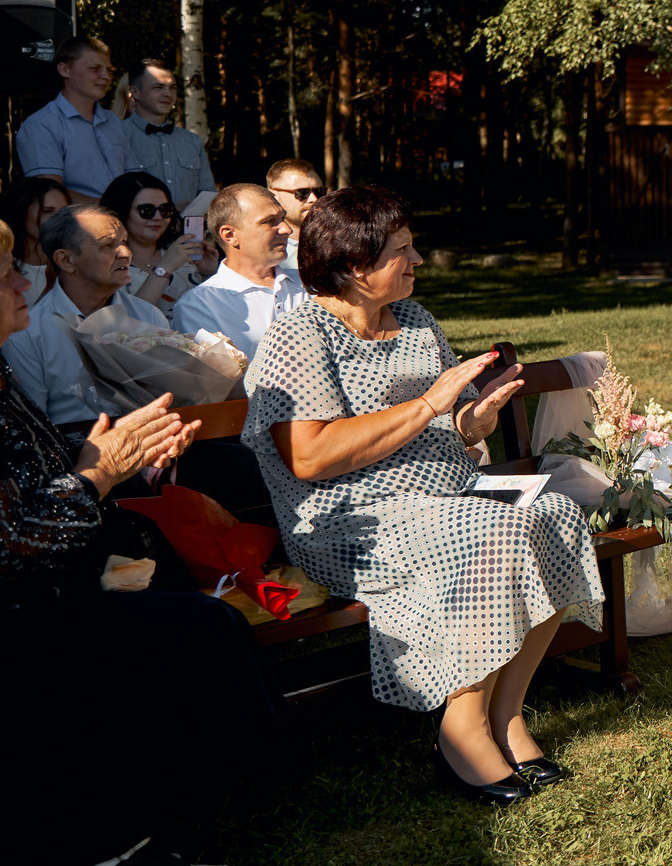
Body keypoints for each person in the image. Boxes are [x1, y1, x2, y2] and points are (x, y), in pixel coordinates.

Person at [0, 206, 272, 866]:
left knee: (196, 614)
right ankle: (105, 850)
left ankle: (151, 828)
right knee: (186, 630)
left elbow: (48, 476)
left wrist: (131, 460)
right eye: (4, 277)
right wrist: (100, 474)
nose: (24, 284)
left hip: (39, 599)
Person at [244, 186, 603, 804]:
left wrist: (470, 423)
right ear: (355, 266)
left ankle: (507, 715)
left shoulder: (414, 320)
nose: (418, 260)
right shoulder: (299, 335)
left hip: (447, 497)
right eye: (402, 251)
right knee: (495, 532)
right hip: (350, 521)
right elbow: (307, 456)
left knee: (556, 516)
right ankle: (460, 732)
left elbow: (446, 425)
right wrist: (430, 403)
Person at [0, 204, 170, 430]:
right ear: (66, 260)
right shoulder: (28, 332)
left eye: (124, 242)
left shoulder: (148, 316)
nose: (126, 253)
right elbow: (33, 425)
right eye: (108, 245)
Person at [174, 184, 307, 361]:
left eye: (283, 218)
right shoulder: (199, 306)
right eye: (270, 221)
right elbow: (214, 381)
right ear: (229, 235)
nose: (286, 229)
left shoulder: (311, 284)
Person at [15, 35, 129, 205]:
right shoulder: (41, 125)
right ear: (64, 70)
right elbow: (50, 194)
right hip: (73, 227)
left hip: (124, 225)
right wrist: (112, 209)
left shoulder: (113, 121)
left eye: (109, 70)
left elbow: (133, 180)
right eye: (95, 68)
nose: (106, 76)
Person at [116, 56, 216, 211]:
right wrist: (169, 210)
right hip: (134, 234)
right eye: (158, 87)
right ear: (135, 92)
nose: (167, 94)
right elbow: (109, 198)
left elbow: (208, 195)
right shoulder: (115, 137)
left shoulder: (192, 141)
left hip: (188, 234)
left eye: (172, 87)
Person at [100, 172, 209, 313]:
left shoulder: (181, 254)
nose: (158, 217)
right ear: (122, 211)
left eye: (164, 210)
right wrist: (165, 267)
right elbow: (131, 317)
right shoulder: (109, 263)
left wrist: (208, 273)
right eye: (147, 210)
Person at [5, 174, 70, 300]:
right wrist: (51, 286)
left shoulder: (75, 262)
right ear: (21, 213)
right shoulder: (2, 270)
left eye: (64, 211)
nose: (59, 219)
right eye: (47, 211)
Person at [266, 159, 324, 269]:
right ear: (273, 195)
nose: (314, 199)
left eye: (319, 191)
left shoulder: (336, 242)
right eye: (302, 192)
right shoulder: (262, 251)